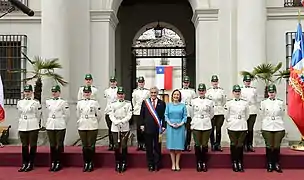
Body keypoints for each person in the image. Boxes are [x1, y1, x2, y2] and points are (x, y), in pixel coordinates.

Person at [260, 84, 285, 173]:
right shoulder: (263, 102)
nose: (271, 94)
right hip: (267, 125)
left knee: (277, 146)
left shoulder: (280, 102)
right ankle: (270, 163)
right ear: (268, 93)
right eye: (270, 92)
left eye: (273, 92)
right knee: (269, 146)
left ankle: (277, 163)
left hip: (278, 125)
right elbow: (262, 114)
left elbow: (282, 113)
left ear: (275, 92)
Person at [140, 86, 166, 172]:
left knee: (157, 147)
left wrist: (163, 126)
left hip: (158, 129)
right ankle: (150, 164)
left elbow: (164, 116)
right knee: (149, 147)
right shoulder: (145, 103)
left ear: (157, 93)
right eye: (152, 93)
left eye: (155, 92)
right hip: (148, 128)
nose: (153, 94)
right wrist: (142, 124)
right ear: (150, 93)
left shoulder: (162, 103)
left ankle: (157, 164)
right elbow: (142, 115)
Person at [76, 86, 102, 172]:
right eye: (85, 92)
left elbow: (99, 115)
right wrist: (80, 121)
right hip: (82, 124)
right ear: (83, 93)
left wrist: (94, 121)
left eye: (88, 92)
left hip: (92, 124)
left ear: (91, 93)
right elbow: (78, 114)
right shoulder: (79, 103)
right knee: (84, 145)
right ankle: (85, 162)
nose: (86, 94)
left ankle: (91, 162)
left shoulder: (94, 102)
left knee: (91, 145)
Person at [224, 85, 249, 172]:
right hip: (232, 125)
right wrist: (231, 121)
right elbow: (226, 115)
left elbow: (247, 115)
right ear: (233, 93)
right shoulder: (229, 103)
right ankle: (234, 162)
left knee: (240, 145)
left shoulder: (245, 103)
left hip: (242, 125)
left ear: (240, 92)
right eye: (235, 91)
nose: (237, 93)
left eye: (238, 91)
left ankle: (240, 162)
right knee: (234, 144)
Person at [17, 85, 42, 172]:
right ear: (24, 92)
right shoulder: (20, 102)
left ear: (32, 92)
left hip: (32, 124)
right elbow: (19, 114)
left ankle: (31, 163)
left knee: (32, 144)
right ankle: (24, 163)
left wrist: (36, 123)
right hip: (23, 124)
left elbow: (38, 115)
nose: (27, 93)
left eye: (29, 92)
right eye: (26, 92)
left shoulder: (35, 102)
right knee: (24, 145)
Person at [45, 85, 70, 172]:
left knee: (59, 145)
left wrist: (63, 122)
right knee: (52, 145)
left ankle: (58, 162)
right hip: (51, 124)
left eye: (56, 91)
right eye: (53, 91)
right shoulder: (48, 102)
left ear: (59, 92)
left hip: (60, 124)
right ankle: (53, 162)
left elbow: (67, 115)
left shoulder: (63, 102)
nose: (54, 93)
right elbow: (45, 114)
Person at [191, 83, 214, 172]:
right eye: (200, 90)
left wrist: (205, 119)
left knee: (204, 144)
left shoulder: (210, 101)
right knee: (197, 144)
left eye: (203, 90)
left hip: (206, 124)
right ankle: (198, 162)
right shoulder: (193, 101)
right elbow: (192, 113)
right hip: (196, 124)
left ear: (205, 91)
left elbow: (211, 114)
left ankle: (204, 162)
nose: (201, 92)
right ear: (198, 91)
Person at [109, 87, 133, 173]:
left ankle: (124, 162)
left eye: (122, 94)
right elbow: (111, 114)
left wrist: (122, 121)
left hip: (124, 126)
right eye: (119, 94)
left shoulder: (128, 104)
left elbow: (129, 114)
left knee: (123, 145)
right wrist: (116, 122)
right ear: (117, 95)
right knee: (116, 146)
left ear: (124, 95)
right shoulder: (113, 104)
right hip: (115, 127)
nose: (120, 95)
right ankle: (117, 162)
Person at [165, 89, 187, 171]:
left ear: (180, 96)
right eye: (174, 95)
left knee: (178, 147)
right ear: (172, 96)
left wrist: (180, 124)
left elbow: (185, 116)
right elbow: (166, 115)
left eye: (177, 95)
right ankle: (173, 164)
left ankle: (177, 163)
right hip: (170, 126)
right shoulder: (168, 105)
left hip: (180, 127)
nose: (176, 96)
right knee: (172, 147)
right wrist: (170, 123)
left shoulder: (183, 106)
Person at [206, 75, 226, 151]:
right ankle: (212, 144)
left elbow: (224, 101)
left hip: (220, 111)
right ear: (211, 82)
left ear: (218, 82)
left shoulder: (221, 91)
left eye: (216, 81)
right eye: (213, 81)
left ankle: (218, 144)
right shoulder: (208, 91)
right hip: (211, 111)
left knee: (218, 129)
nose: (215, 83)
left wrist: (220, 106)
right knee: (211, 129)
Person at [241, 74, 258, 152]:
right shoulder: (241, 89)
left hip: (252, 110)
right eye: (246, 81)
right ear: (243, 82)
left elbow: (255, 99)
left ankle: (250, 144)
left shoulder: (254, 90)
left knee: (250, 129)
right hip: (244, 110)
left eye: (249, 81)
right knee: (244, 128)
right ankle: (244, 144)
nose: (247, 82)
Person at [132, 76, 150, 151]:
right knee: (138, 129)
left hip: (145, 111)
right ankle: (140, 144)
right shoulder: (135, 91)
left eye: (142, 82)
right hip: (137, 111)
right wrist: (135, 108)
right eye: (139, 82)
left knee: (145, 128)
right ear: (137, 83)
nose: (141, 84)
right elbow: (134, 102)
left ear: (144, 83)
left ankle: (145, 144)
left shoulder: (147, 91)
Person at [179, 76, 196, 151]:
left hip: (189, 111)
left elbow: (194, 102)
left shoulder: (192, 91)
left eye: (187, 82)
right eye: (184, 82)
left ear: (189, 83)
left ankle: (188, 144)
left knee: (188, 129)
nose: (185, 84)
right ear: (182, 83)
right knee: (181, 129)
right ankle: (181, 144)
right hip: (181, 111)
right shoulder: (179, 91)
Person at [104, 76, 118, 151]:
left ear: (116, 82)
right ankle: (111, 143)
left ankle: (116, 143)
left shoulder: (119, 90)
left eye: (114, 81)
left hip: (116, 111)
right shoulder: (106, 91)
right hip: (108, 111)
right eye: (111, 82)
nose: (112, 83)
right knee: (110, 128)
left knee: (116, 128)